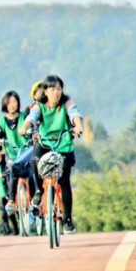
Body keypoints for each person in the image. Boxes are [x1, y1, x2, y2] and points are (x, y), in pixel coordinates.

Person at [20, 75, 84, 233]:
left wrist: (78, 126)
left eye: (59, 89)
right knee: (35, 160)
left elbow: (74, 114)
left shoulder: (67, 103)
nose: (56, 92)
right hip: (45, 143)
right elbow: (31, 117)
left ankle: (67, 220)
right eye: (52, 89)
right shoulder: (39, 106)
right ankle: (39, 191)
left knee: (64, 182)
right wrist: (24, 127)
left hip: (64, 144)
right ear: (46, 91)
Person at [0, 90, 35, 221]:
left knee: (33, 171)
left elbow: (34, 126)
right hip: (12, 155)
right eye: (9, 102)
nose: (12, 104)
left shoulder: (25, 116)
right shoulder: (2, 122)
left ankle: (34, 201)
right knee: (10, 169)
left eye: (15, 101)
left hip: (27, 152)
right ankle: (11, 200)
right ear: (5, 104)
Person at [0, 146, 18, 234]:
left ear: (0, 152)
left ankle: (16, 230)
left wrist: (3, 175)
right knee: (3, 213)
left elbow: (10, 171)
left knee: (11, 211)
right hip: (0, 190)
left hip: (8, 189)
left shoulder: (6, 161)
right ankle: (6, 232)